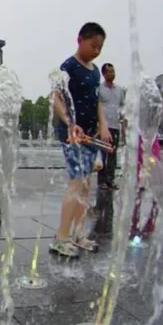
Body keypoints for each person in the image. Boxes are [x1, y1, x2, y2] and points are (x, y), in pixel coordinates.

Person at [49, 22, 111, 259]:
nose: (96, 51)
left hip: (89, 136)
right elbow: (55, 98)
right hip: (72, 134)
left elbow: (97, 102)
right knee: (77, 183)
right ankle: (61, 237)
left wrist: (103, 126)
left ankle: (77, 233)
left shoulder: (95, 71)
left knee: (86, 185)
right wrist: (68, 121)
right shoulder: (69, 66)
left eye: (100, 47)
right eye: (93, 45)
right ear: (80, 40)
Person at [97, 63, 124, 191]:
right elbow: (96, 107)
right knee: (103, 154)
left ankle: (110, 180)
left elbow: (122, 108)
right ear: (104, 74)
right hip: (104, 127)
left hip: (115, 127)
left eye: (113, 71)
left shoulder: (119, 90)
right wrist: (98, 125)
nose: (112, 74)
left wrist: (123, 126)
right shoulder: (100, 89)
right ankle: (101, 181)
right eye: (109, 72)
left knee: (113, 155)